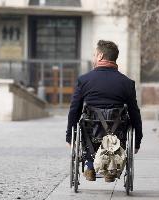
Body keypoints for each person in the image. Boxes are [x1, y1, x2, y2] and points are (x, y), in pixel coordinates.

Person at [66, 40, 143, 182]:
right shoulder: (127, 83)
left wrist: (69, 137)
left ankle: (89, 165)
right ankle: (112, 169)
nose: (94, 57)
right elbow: (134, 113)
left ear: (100, 56)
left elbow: (74, 110)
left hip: (91, 132)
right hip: (117, 134)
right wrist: (137, 141)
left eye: (95, 55)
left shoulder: (84, 80)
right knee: (121, 122)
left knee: (87, 124)